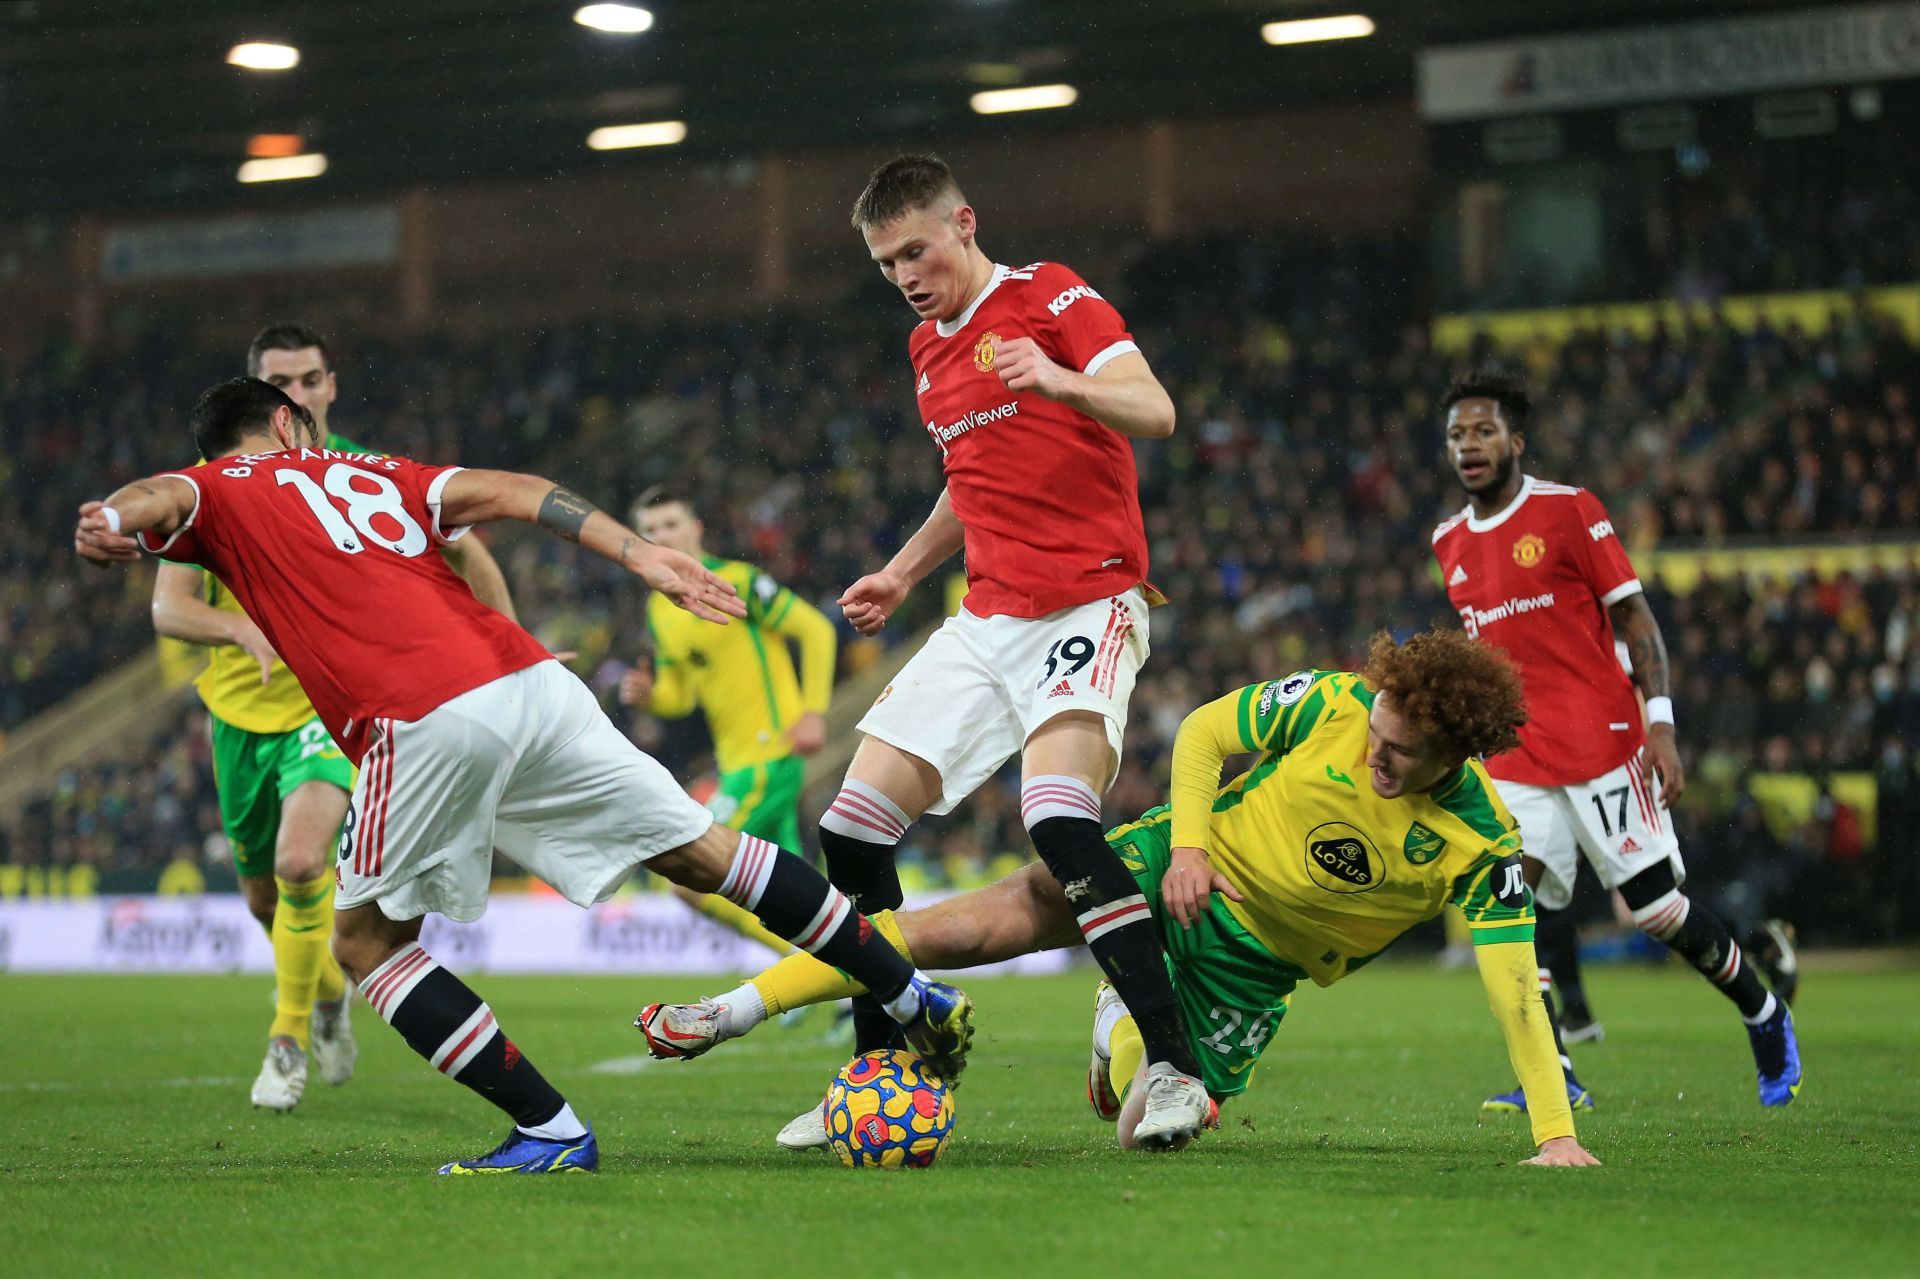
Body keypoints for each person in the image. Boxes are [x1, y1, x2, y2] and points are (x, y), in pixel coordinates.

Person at [75, 377, 974, 1174]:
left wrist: (111, 519)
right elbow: (519, 491)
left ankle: (548, 1129)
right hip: (532, 681)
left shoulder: (223, 483)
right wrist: (641, 554)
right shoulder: (384, 473)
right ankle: (910, 992)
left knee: (364, 942)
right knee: (705, 851)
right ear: (289, 420)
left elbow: (157, 495)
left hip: (418, 715)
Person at [639, 632, 1601, 1166]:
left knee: (1145, 1131)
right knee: (985, 917)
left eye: (1399, 752)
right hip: (1185, 868)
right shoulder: (1337, 705)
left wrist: (1556, 1136)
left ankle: (1121, 1019)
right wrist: (1188, 846)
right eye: (1378, 734)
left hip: (1254, 970)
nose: (1375, 755)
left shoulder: (1484, 842)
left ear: (1456, 754)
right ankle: (728, 1010)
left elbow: (1517, 988)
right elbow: (1203, 732)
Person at [763, 152, 1207, 1150]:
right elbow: (971, 481)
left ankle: (1174, 1064)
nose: (905, 276)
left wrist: (1056, 376)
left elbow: (1155, 408)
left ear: (964, 224)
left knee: (1054, 817)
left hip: (1090, 598)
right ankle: (891, 1064)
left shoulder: (1049, 295)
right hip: (987, 615)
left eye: (916, 250)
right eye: (885, 264)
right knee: (852, 828)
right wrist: (903, 571)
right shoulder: (930, 351)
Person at [148, 323, 516, 1112]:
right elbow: (170, 608)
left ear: (331, 385)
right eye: (282, 383)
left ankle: (284, 1041)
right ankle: (322, 999)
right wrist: (243, 627)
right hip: (239, 715)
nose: (299, 397)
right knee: (264, 900)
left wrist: (506, 650)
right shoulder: (210, 484)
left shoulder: (356, 468)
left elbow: (468, 552)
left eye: (310, 380)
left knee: (303, 863)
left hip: (336, 708)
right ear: (260, 395)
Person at [1433, 368, 1802, 1109]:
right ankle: (1553, 1074)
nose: (1468, 446)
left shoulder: (1571, 511)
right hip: (1515, 756)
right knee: (1510, 903)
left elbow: (1636, 622)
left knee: (1659, 909)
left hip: (1602, 743)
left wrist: (1659, 727)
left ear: (1516, 440)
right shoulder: (1448, 542)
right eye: (1456, 435)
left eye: (1483, 431)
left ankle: (1763, 1012)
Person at [618, 486, 837, 956]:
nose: (663, 536)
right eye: (651, 531)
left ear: (696, 528)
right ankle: (860, 982)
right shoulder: (661, 608)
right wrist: (651, 696)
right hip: (737, 761)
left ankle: (803, 962)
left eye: (671, 524)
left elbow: (815, 630)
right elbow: (683, 696)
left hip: (768, 756)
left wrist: (813, 712)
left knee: (690, 879)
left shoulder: (736, 580)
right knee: (801, 897)